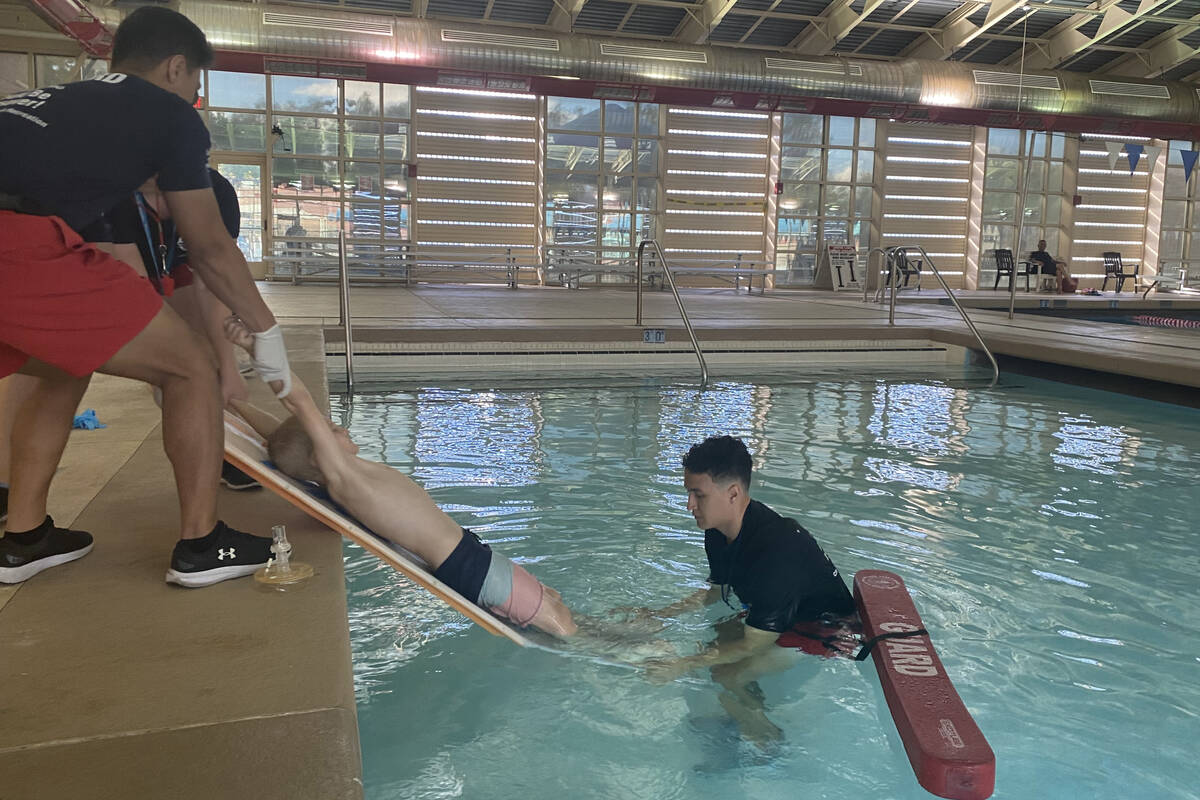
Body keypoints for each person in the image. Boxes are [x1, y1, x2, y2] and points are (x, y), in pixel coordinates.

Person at [0, 7, 289, 587]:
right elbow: (209, 247)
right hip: (17, 242)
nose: (192, 100)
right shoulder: (166, 113)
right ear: (176, 67)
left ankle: (25, 537)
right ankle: (202, 545)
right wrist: (267, 333)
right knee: (191, 367)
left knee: (66, 363)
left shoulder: (53, 104)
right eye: (195, 86)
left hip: (23, 238)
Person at [222, 317, 578, 638]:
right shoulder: (346, 478)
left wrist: (232, 402)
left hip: (473, 559)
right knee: (568, 630)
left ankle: (602, 638)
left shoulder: (340, 475)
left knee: (555, 609)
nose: (341, 428)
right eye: (331, 430)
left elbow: (279, 437)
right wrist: (254, 347)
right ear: (320, 455)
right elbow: (299, 403)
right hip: (473, 568)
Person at [636, 435, 855, 743]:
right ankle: (742, 714)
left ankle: (769, 744)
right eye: (688, 493)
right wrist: (661, 616)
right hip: (778, 614)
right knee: (717, 641)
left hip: (825, 628)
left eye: (698, 495)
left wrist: (681, 665)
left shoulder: (776, 549)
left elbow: (754, 643)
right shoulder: (717, 530)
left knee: (726, 673)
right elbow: (716, 590)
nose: (689, 506)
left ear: (733, 493)